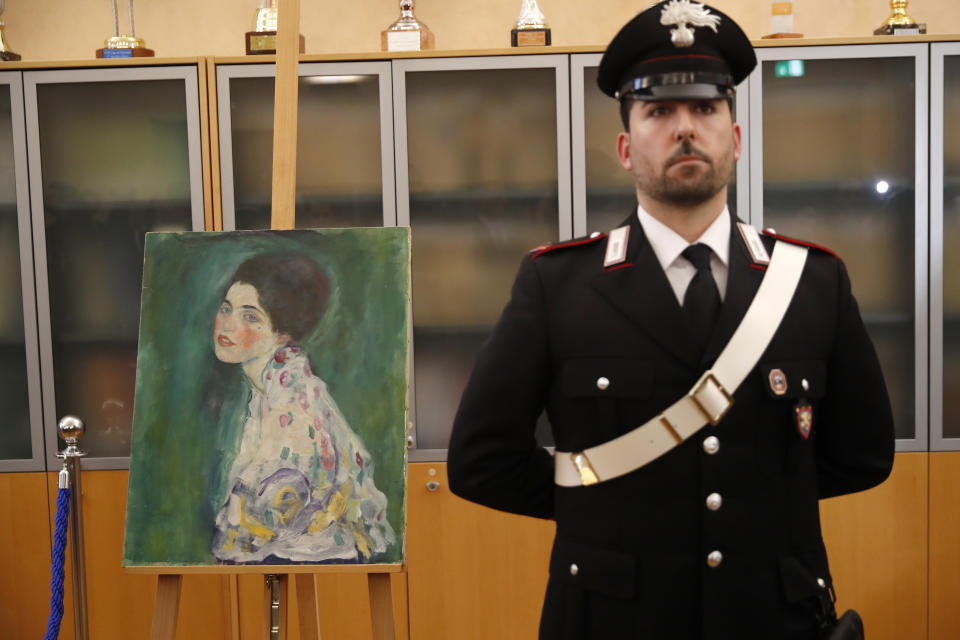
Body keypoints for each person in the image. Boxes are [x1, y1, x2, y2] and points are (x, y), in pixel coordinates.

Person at [447, 2, 895, 638]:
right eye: (659, 111)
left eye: (706, 108)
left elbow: (864, 455)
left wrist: (761, 511)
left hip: (773, 617)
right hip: (612, 617)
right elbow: (479, 461)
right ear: (627, 149)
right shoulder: (556, 284)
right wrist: (601, 508)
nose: (685, 127)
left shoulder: (813, 282)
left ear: (735, 140)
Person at [209, 253, 395, 564]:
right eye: (227, 308)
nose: (227, 324)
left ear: (283, 333)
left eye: (250, 316)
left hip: (305, 558)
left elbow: (270, 522)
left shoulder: (295, 410)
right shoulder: (270, 390)